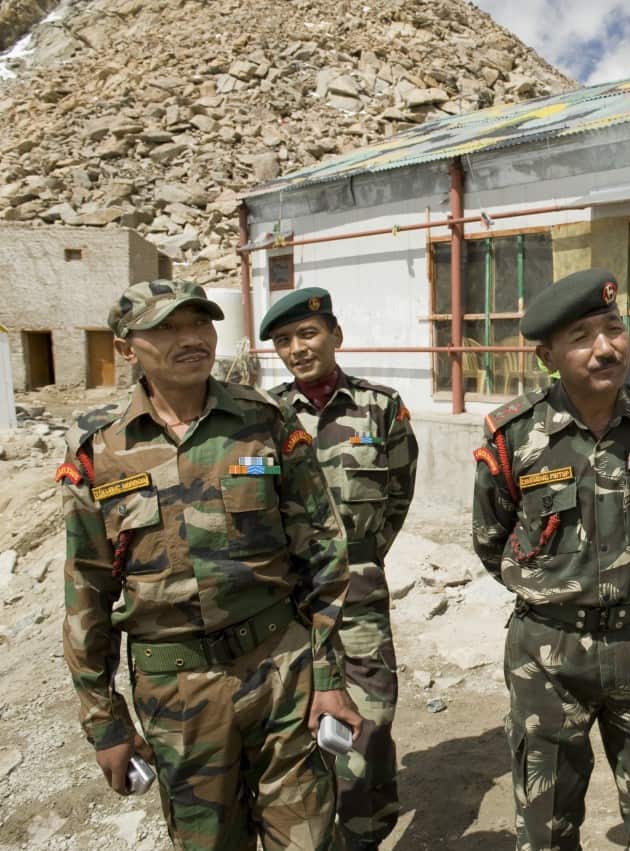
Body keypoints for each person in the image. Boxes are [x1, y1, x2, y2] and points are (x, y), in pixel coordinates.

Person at [58, 279, 363, 851]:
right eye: (167, 328)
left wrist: (329, 679)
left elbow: (323, 552)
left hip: (282, 672)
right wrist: (105, 721)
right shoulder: (98, 448)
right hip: (177, 693)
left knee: (312, 840)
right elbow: (86, 594)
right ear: (126, 347)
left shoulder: (264, 419)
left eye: (200, 324)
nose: (191, 339)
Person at [472, 268, 630, 850]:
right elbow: (491, 540)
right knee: (546, 826)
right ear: (548, 354)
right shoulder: (513, 436)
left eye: (613, 328)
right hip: (548, 655)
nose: (606, 348)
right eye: (582, 337)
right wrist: (560, 590)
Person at [261, 287, 419, 851]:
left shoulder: (382, 407)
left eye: (307, 334)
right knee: (295, 727)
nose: (297, 349)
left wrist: (365, 557)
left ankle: (366, 833)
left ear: (335, 336)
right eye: (284, 341)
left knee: (371, 721)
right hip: (289, 601)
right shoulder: (267, 415)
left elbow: (398, 493)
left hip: (358, 596)